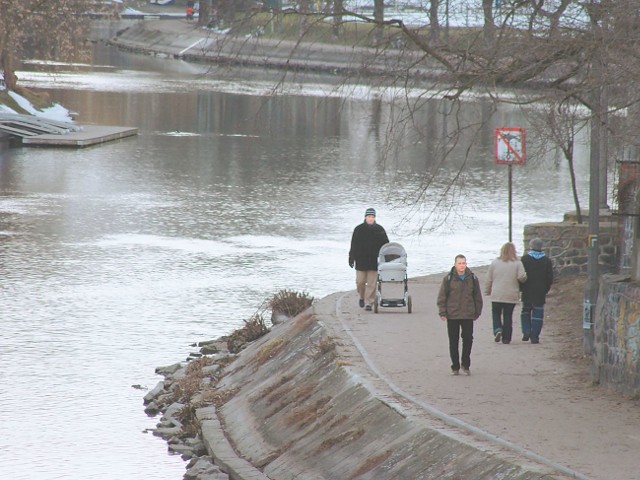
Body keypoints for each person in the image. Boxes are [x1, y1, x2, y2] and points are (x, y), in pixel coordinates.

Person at [437, 254, 483, 375]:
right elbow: (442, 296)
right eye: (459, 263)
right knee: (453, 341)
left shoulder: (472, 278)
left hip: (468, 314)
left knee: (468, 339)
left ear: (466, 264)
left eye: (463, 263)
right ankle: (455, 366)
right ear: (455, 264)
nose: (462, 265)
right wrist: (442, 312)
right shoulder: (448, 278)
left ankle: (466, 364)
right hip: (452, 314)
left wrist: (477, 311)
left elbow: (477, 296)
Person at [484, 242, 527, 344]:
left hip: (497, 293)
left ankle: (498, 329)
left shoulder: (495, 263)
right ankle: (506, 338)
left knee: (496, 314)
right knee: (508, 316)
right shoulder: (517, 263)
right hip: (511, 294)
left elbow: (488, 279)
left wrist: (487, 290)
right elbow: (522, 277)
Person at [349, 208, 389, 311]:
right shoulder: (358, 229)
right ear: (365, 217)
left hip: (374, 261)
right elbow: (353, 244)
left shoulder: (380, 229)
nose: (370, 218)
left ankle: (369, 302)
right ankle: (362, 297)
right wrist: (351, 257)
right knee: (360, 282)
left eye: (372, 217)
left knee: (372, 283)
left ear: (374, 218)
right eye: (369, 217)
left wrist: (386, 258)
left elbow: (386, 245)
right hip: (361, 260)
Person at [520, 237, 554, 344]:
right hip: (540, 291)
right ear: (541, 247)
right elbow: (550, 277)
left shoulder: (525, 259)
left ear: (531, 246)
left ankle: (526, 330)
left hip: (527, 290)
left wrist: (521, 288)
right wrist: (546, 289)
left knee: (525, 311)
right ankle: (534, 337)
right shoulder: (546, 261)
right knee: (538, 314)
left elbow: (521, 275)